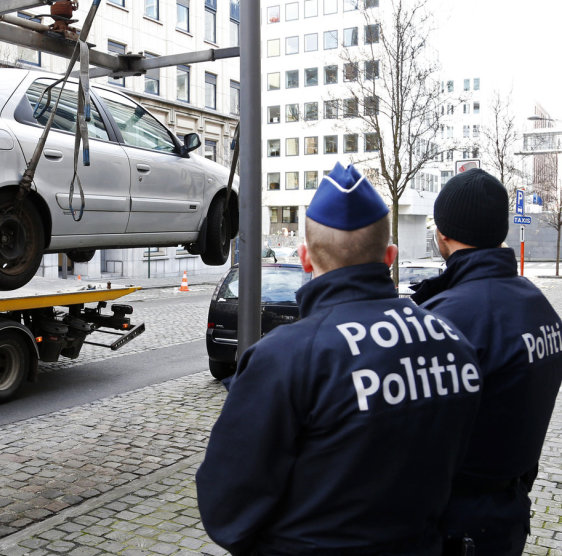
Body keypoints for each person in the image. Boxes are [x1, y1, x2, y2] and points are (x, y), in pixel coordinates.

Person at [196, 163, 483, 555]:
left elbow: (225, 505)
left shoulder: (284, 357)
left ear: (305, 259)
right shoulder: (453, 341)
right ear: (390, 257)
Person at [411, 168, 562, 555]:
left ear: (442, 234)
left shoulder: (447, 319)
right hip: (507, 515)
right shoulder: (540, 307)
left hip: (454, 527)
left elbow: (412, 437)